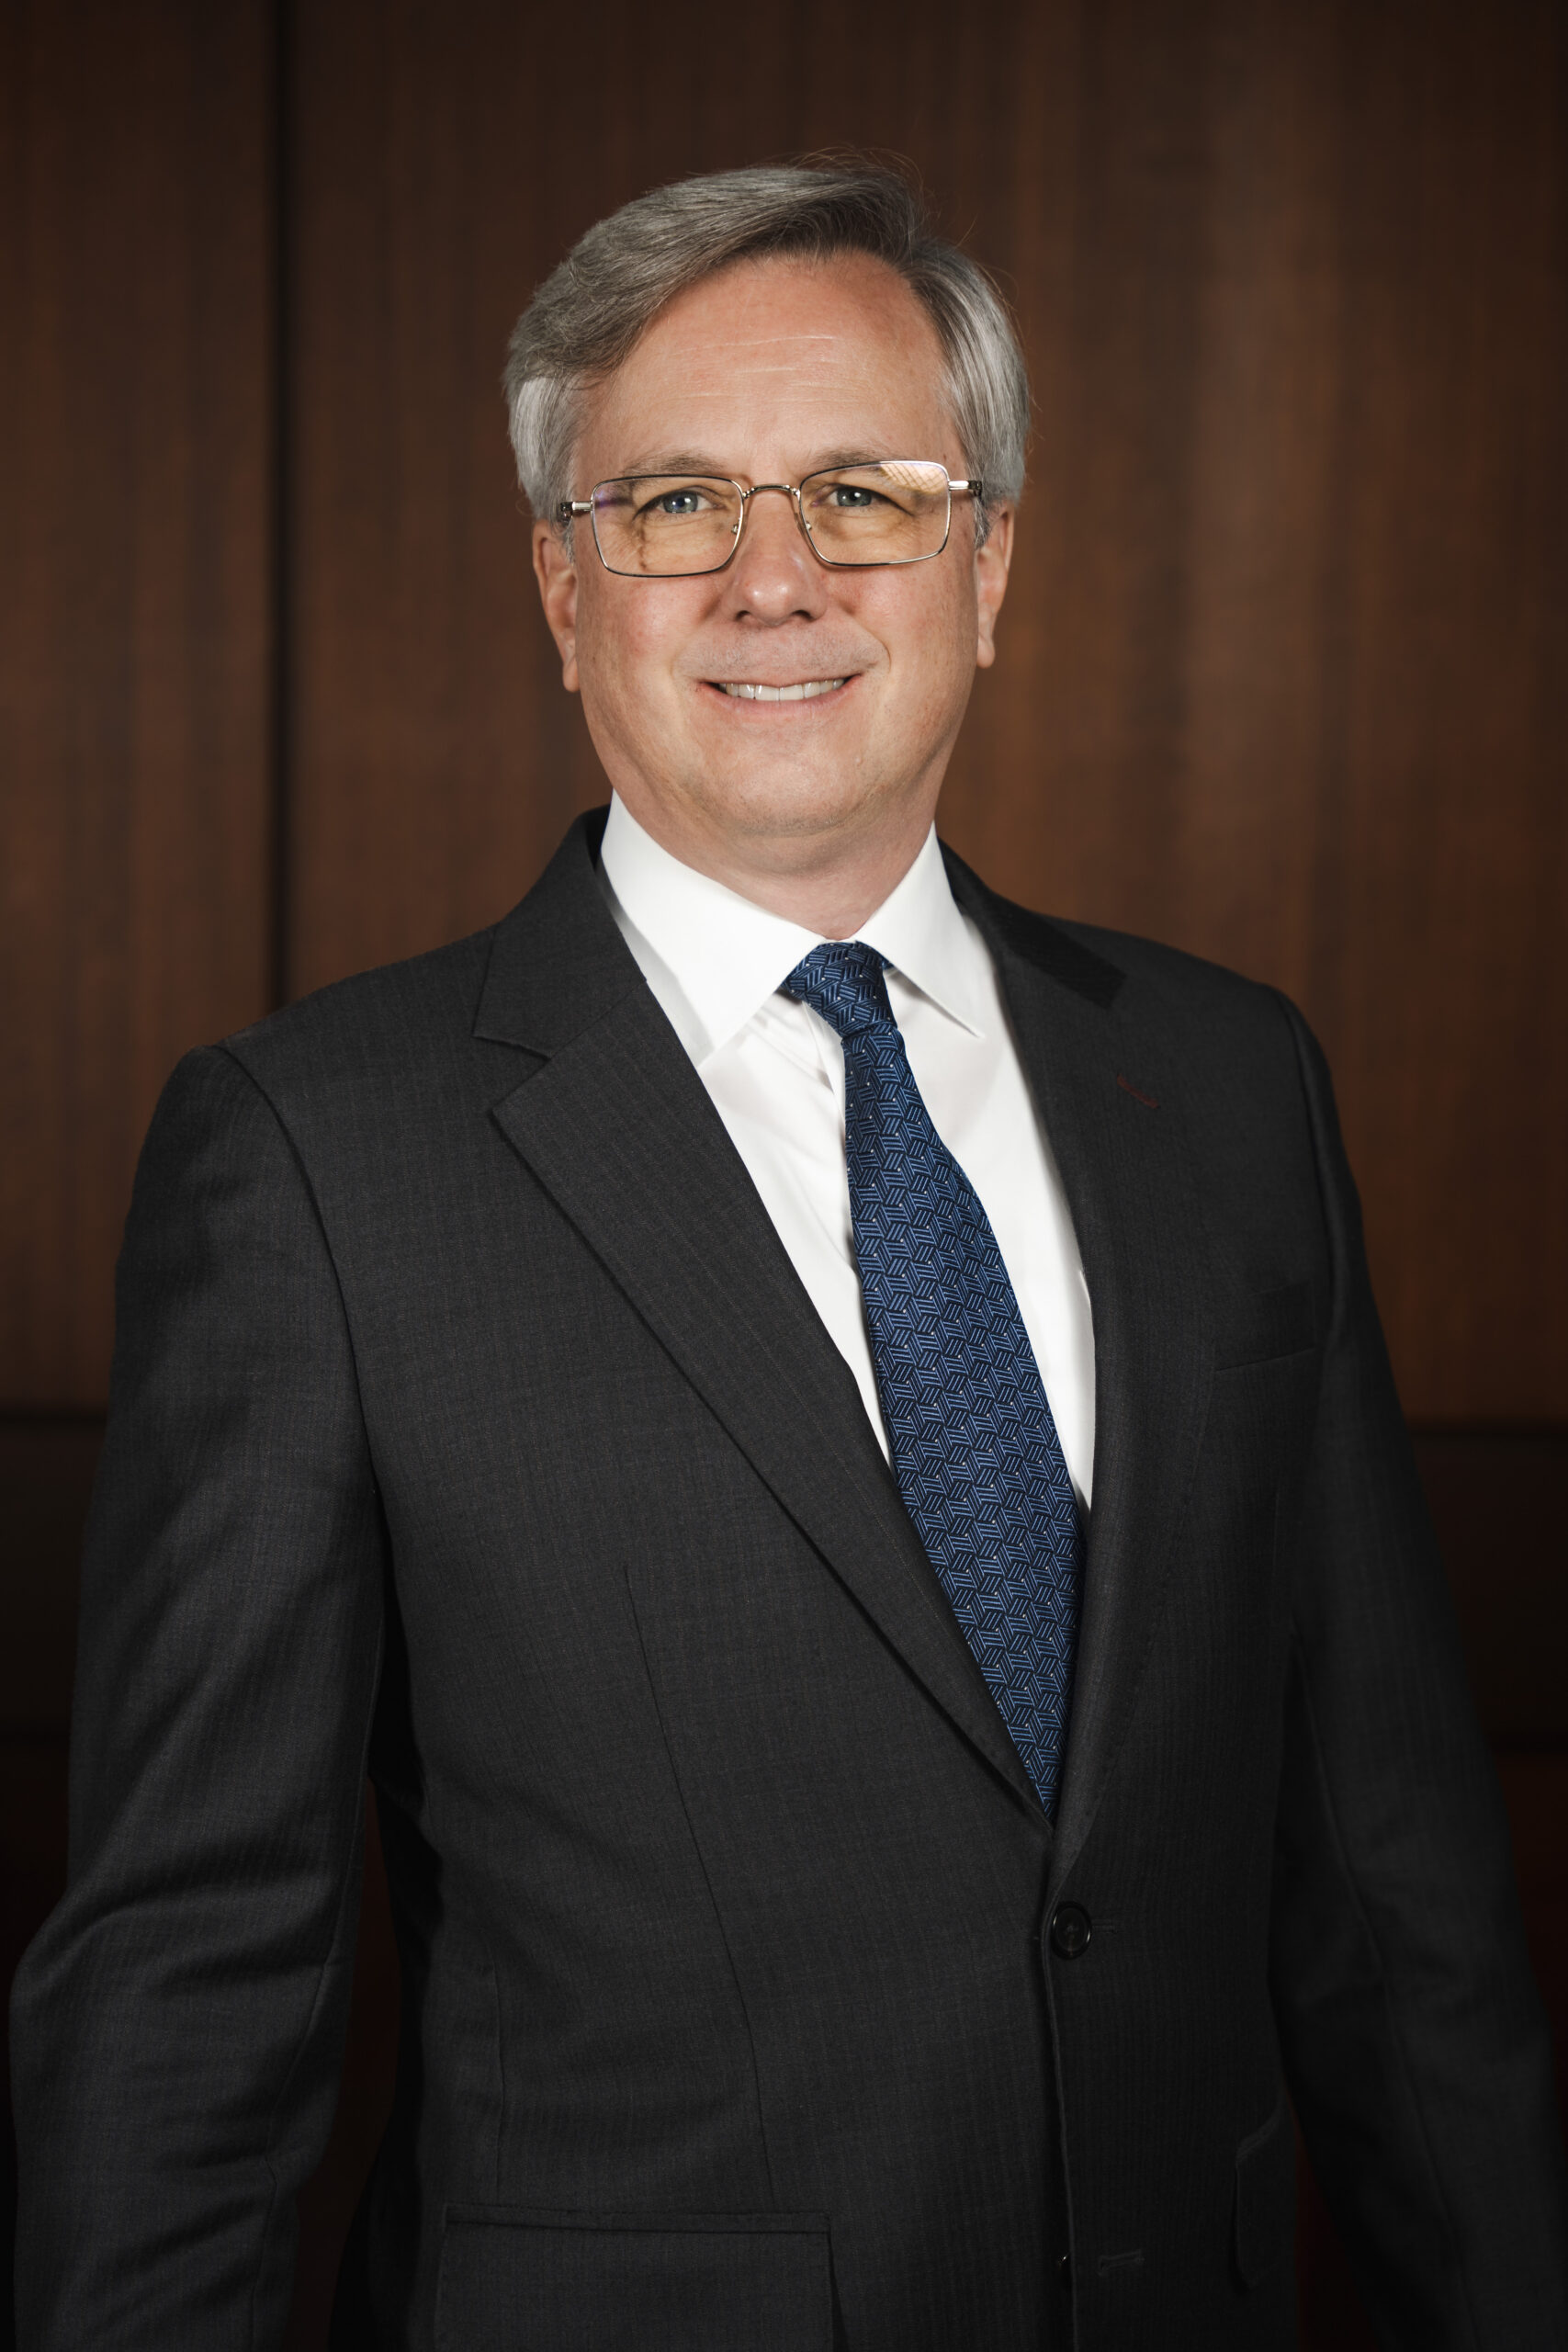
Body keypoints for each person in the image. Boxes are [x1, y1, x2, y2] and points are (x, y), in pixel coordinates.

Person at [10, 161, 1567, 2352]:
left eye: (863, 491)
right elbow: (188, 1977)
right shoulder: (312, 1159)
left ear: (987, 564)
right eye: (668, 506)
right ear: (562, 593)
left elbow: (1396, 1899)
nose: (772, 580)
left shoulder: (1229, 1091)